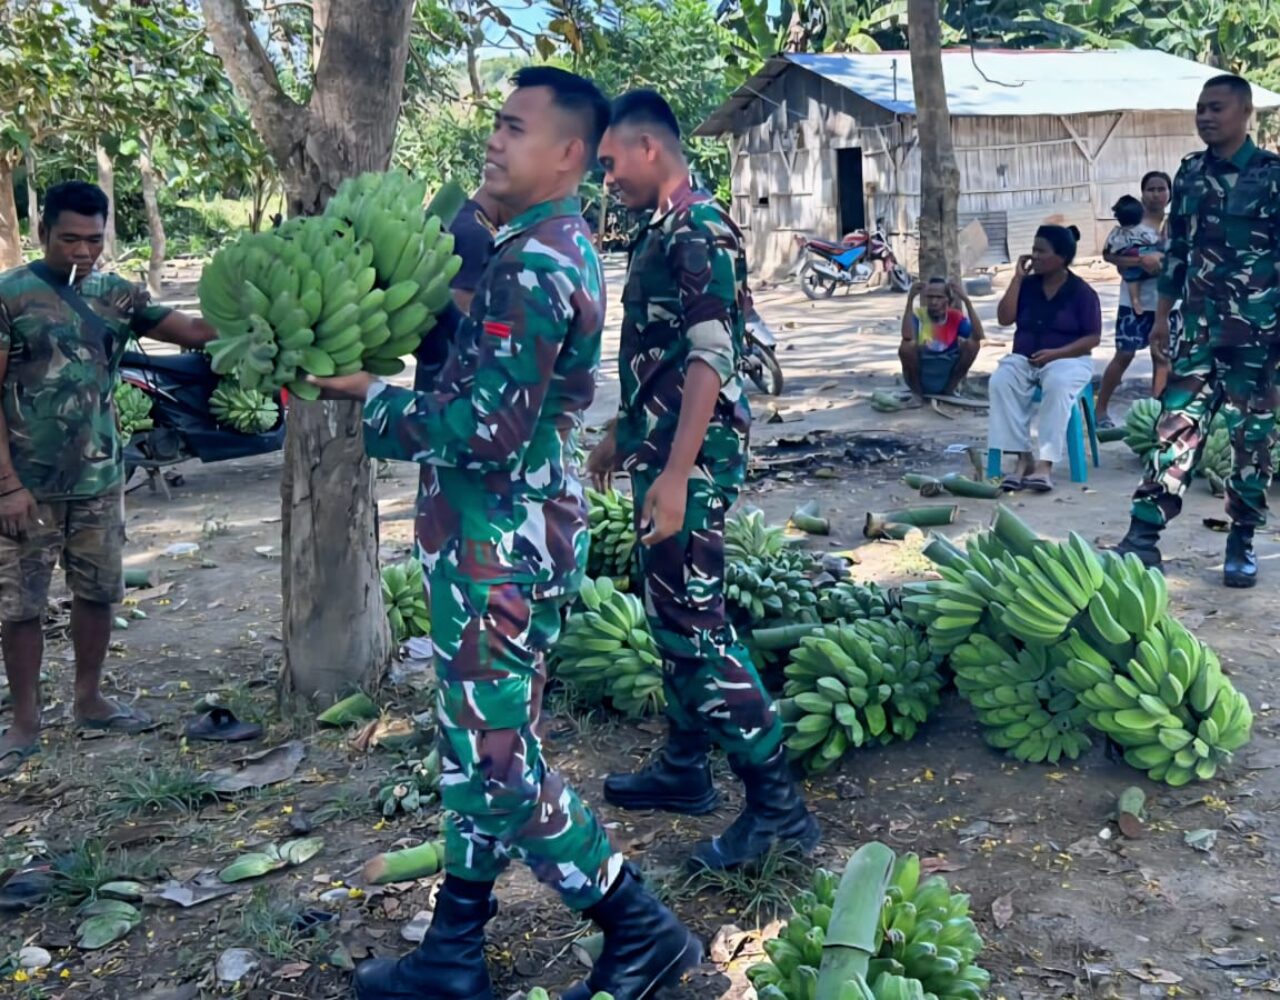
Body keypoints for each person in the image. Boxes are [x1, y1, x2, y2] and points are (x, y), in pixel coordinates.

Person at [309, 68, 702, 1000]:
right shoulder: (533, 246)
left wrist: (365, 397)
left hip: (500, 545)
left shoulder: (533, 263)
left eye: (514, 128)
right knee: (471, 746)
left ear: (569, 153)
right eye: (494, 123)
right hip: (494, 536)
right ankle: (455, 947)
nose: (492, 140)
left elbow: (481, 430)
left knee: (497, 758)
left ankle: (636, 925)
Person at [588, 90, 820, 873]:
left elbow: (710, 356)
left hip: (696, 455)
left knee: (695, 626)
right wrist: (625, 438)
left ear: (649, 148)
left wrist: (678, 471)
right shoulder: (662, 227)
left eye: (612, 161)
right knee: (672, 617)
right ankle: (686, 769)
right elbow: (658, 349)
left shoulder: (698, 228)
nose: (606, 176)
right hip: (663, 447)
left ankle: (779, 809)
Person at [0, 181, 216, 778]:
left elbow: (192, 333)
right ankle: (24, 721)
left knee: (97, 592)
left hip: (98, 476)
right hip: (28, 484)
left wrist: (263, 310)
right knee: (21, 606)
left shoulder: (118, 295)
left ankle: (89, 699)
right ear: (43, 232)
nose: (82, 251)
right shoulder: (10, 297)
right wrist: (7, 486)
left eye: (93, 240)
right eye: (69, 238)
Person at [1114, 75, 1280, 588]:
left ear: (1245, 113)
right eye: (1200, 108)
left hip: (1260, 337)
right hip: (1199, 332)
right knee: (1176, 428)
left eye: (1217, 108)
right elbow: (1177, 253)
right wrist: (1161, 318)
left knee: (1253, 441)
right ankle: (1143, 537)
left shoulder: (1272, 176)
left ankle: (1242, 540)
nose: (1205, 116)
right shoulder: (1188, 176)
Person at [987, 225, 1101, 494]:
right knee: (1001, 380)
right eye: (1033, 250)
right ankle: (1022, 457)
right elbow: (1004, 318)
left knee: (1059, 383)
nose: (1033, 256)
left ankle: (1045, 464)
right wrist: (1016, 279)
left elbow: (1093, 338)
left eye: (1041, 251)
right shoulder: (1027, 286)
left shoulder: (1082, 293)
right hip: (1025, 359)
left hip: (1069, 360)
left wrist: (1057, 354)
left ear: (1060, 257)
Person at [1095, 171, 1177, 426]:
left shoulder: (1177, 224)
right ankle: (1100, 412)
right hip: (1134, 303)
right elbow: (1109, 255)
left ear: (1169, 193)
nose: (1156, 194)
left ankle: (1156, 416)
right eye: (1150, 189)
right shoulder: (1132, 223)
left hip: (1168, 302)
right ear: (1142, 193)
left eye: (1161, 189)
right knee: (1125, 354)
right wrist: (1141, 260)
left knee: (1162, 357)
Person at [411, 184, 507, 393]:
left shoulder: (455, 219)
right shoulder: (477, 234)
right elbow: (462, 306)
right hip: (451, 373)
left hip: (432, 362)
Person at [898, 277, 983, 403]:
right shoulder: (919, 316)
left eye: (939, 297)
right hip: (921, 377)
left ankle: (950, 390)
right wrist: (910, 300)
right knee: (906, 346)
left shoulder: (955, 317)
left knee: (973, 345)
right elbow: (907, 336)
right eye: (930, 297)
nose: (933, 301)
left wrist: (967, 301)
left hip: (945, 377)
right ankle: (917, 394)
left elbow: (978, 335)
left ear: (948, 300)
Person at [1105, 195, 1162, 318]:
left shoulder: (1116, 232)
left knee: (1132, 279)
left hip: (1129, 261)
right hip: (1146, 256)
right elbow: (1153, 240)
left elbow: (1108, 249)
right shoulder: (1142, 230)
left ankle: (1135, 299)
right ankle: (1136, 299)